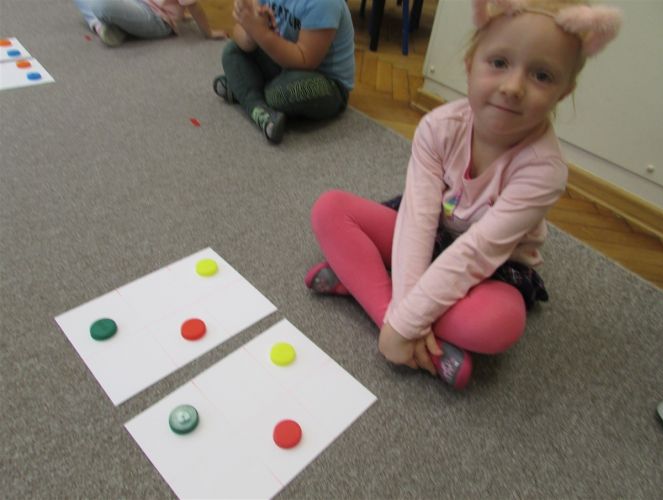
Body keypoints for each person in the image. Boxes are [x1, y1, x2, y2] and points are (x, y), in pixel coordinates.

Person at [305, 0, 622, 389]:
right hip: (431, 230)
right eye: (499, 63)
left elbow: (477, 253)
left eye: (542, 75)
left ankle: (365, 289)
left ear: (563, 92)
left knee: (498, 324)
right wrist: (401, 324)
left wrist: (404, 325)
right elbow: (418, 221)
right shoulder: (438, 126)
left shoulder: (544, 171)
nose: (513, 87)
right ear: (471, 64)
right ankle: (407, 329)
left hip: (493, 263)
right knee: (330, 209)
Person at [213, 0, 355, 144]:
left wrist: (260, 32)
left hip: (327, 84)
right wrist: (250, 32)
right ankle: (258, 108)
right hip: (283, 66)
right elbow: (240, 33)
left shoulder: (325, 3)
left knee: (286, 92)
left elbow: (305, 60)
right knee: (232, 51)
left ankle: (245, 89)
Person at [73, 0, 226, 47]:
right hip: (134, 4)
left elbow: (194, 6)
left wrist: (209, 33)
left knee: (101, 5)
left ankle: (104, 24)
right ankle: (103, 26)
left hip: (157, 19)